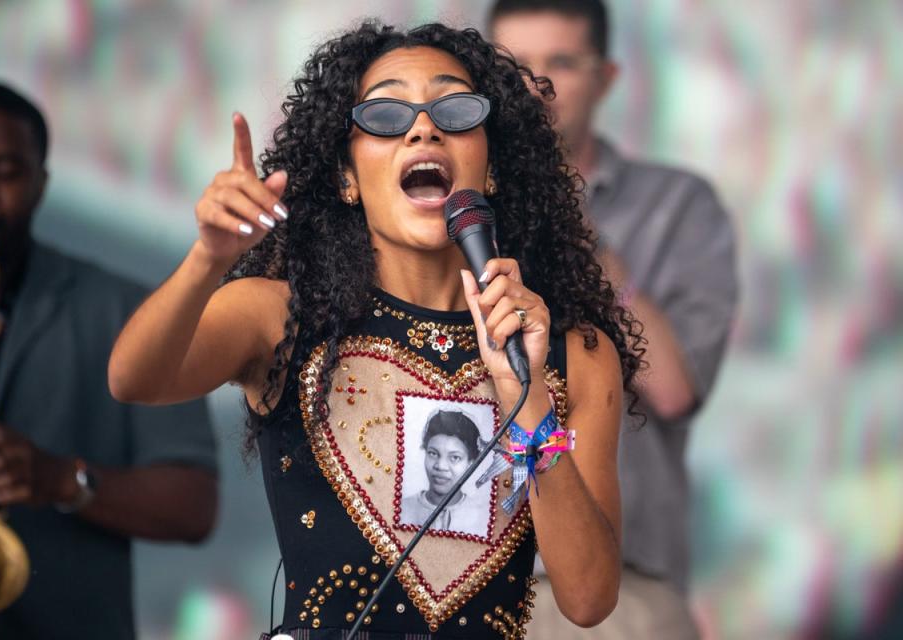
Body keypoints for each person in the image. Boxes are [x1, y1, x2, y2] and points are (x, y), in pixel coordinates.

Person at [108, 21, 643, 639]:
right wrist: (208, 259)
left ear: (491, 167)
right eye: (386, 115)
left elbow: (588, 598)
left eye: (455, 108)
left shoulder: (573, 353)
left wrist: (529, 408)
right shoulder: (279, 317)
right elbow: (132, 379)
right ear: (347, 178)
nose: (423, 126)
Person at [490, 1, 739, 638]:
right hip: (463, 580)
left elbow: (674, 390)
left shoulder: (677, 206)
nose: (535, 88)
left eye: (561, 64)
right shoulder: (449, 206)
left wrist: (574, 234)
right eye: (513, 67)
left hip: (623, 591)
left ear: (607, 79)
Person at [0, 81, 219, 640]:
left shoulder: (130, 309)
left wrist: (62, 479)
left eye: (7, 171)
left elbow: (194, 507)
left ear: (41, 185)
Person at [400, 410, 486, 536]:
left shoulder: (482, 517)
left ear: (470, 463)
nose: (440, 466)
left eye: (455, 457)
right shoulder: (402, 509)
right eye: (433, 453)